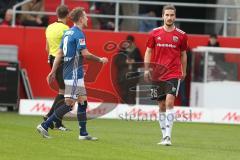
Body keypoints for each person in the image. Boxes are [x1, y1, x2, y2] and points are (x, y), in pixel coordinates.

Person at [37, 7, 108, 140]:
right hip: (74, 73)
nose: (87, 18)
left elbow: (59, 54)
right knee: (69, 104)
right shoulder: (79, 33)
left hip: (72, 72)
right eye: (86, 16)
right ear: (81, 19)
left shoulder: (67, 32)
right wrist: (100, 60)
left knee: (83, 101)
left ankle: (83, 134)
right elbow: (85, 53)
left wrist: (53, 71)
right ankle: (45, 125)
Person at [144, 5, 188, 146]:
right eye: (167, 15)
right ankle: (163, 136)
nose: (169, 17)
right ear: (162, 16)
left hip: (173, 72)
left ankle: (168, 137)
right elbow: (148, 51)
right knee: (161, 105)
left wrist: (184, 70)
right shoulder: (154, 33)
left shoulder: (181, 35)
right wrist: (146, 69)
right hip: (158, 74)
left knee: (169, 102)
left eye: (172, 15)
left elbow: (183, 54)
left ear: (175, 17)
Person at [43, 5, 69, 131]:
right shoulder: (66, 29)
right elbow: (66, 49)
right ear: (68, 15)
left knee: (63, 91)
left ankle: (57, 123)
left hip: (51, 59)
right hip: (61, 60)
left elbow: (46, 48)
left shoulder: (49, 27)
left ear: (57, 13)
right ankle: (50, 116)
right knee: (64, 92)